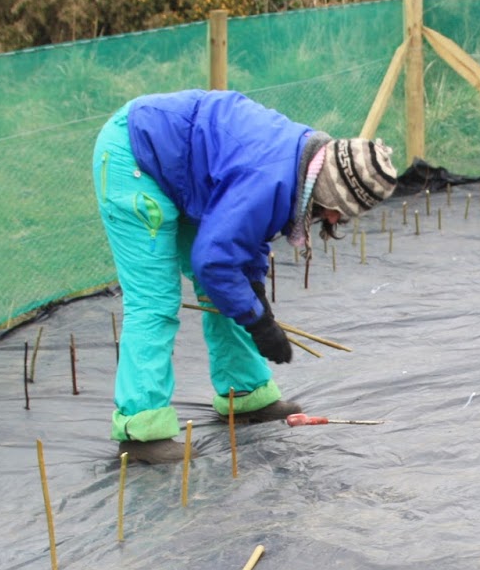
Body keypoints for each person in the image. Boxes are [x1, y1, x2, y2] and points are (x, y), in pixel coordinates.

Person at [93, 90, 398, 463]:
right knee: (154, 301)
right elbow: (215, 261)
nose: (334, 220)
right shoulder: (270, 175)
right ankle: (140, 428)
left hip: (180, 174)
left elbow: (246, 234)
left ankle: (245, 393)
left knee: (230, 289)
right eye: (338, 211)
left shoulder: (299, 167)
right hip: (134, 158)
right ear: (330, 191)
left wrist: (256, 296)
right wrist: (258, 321)